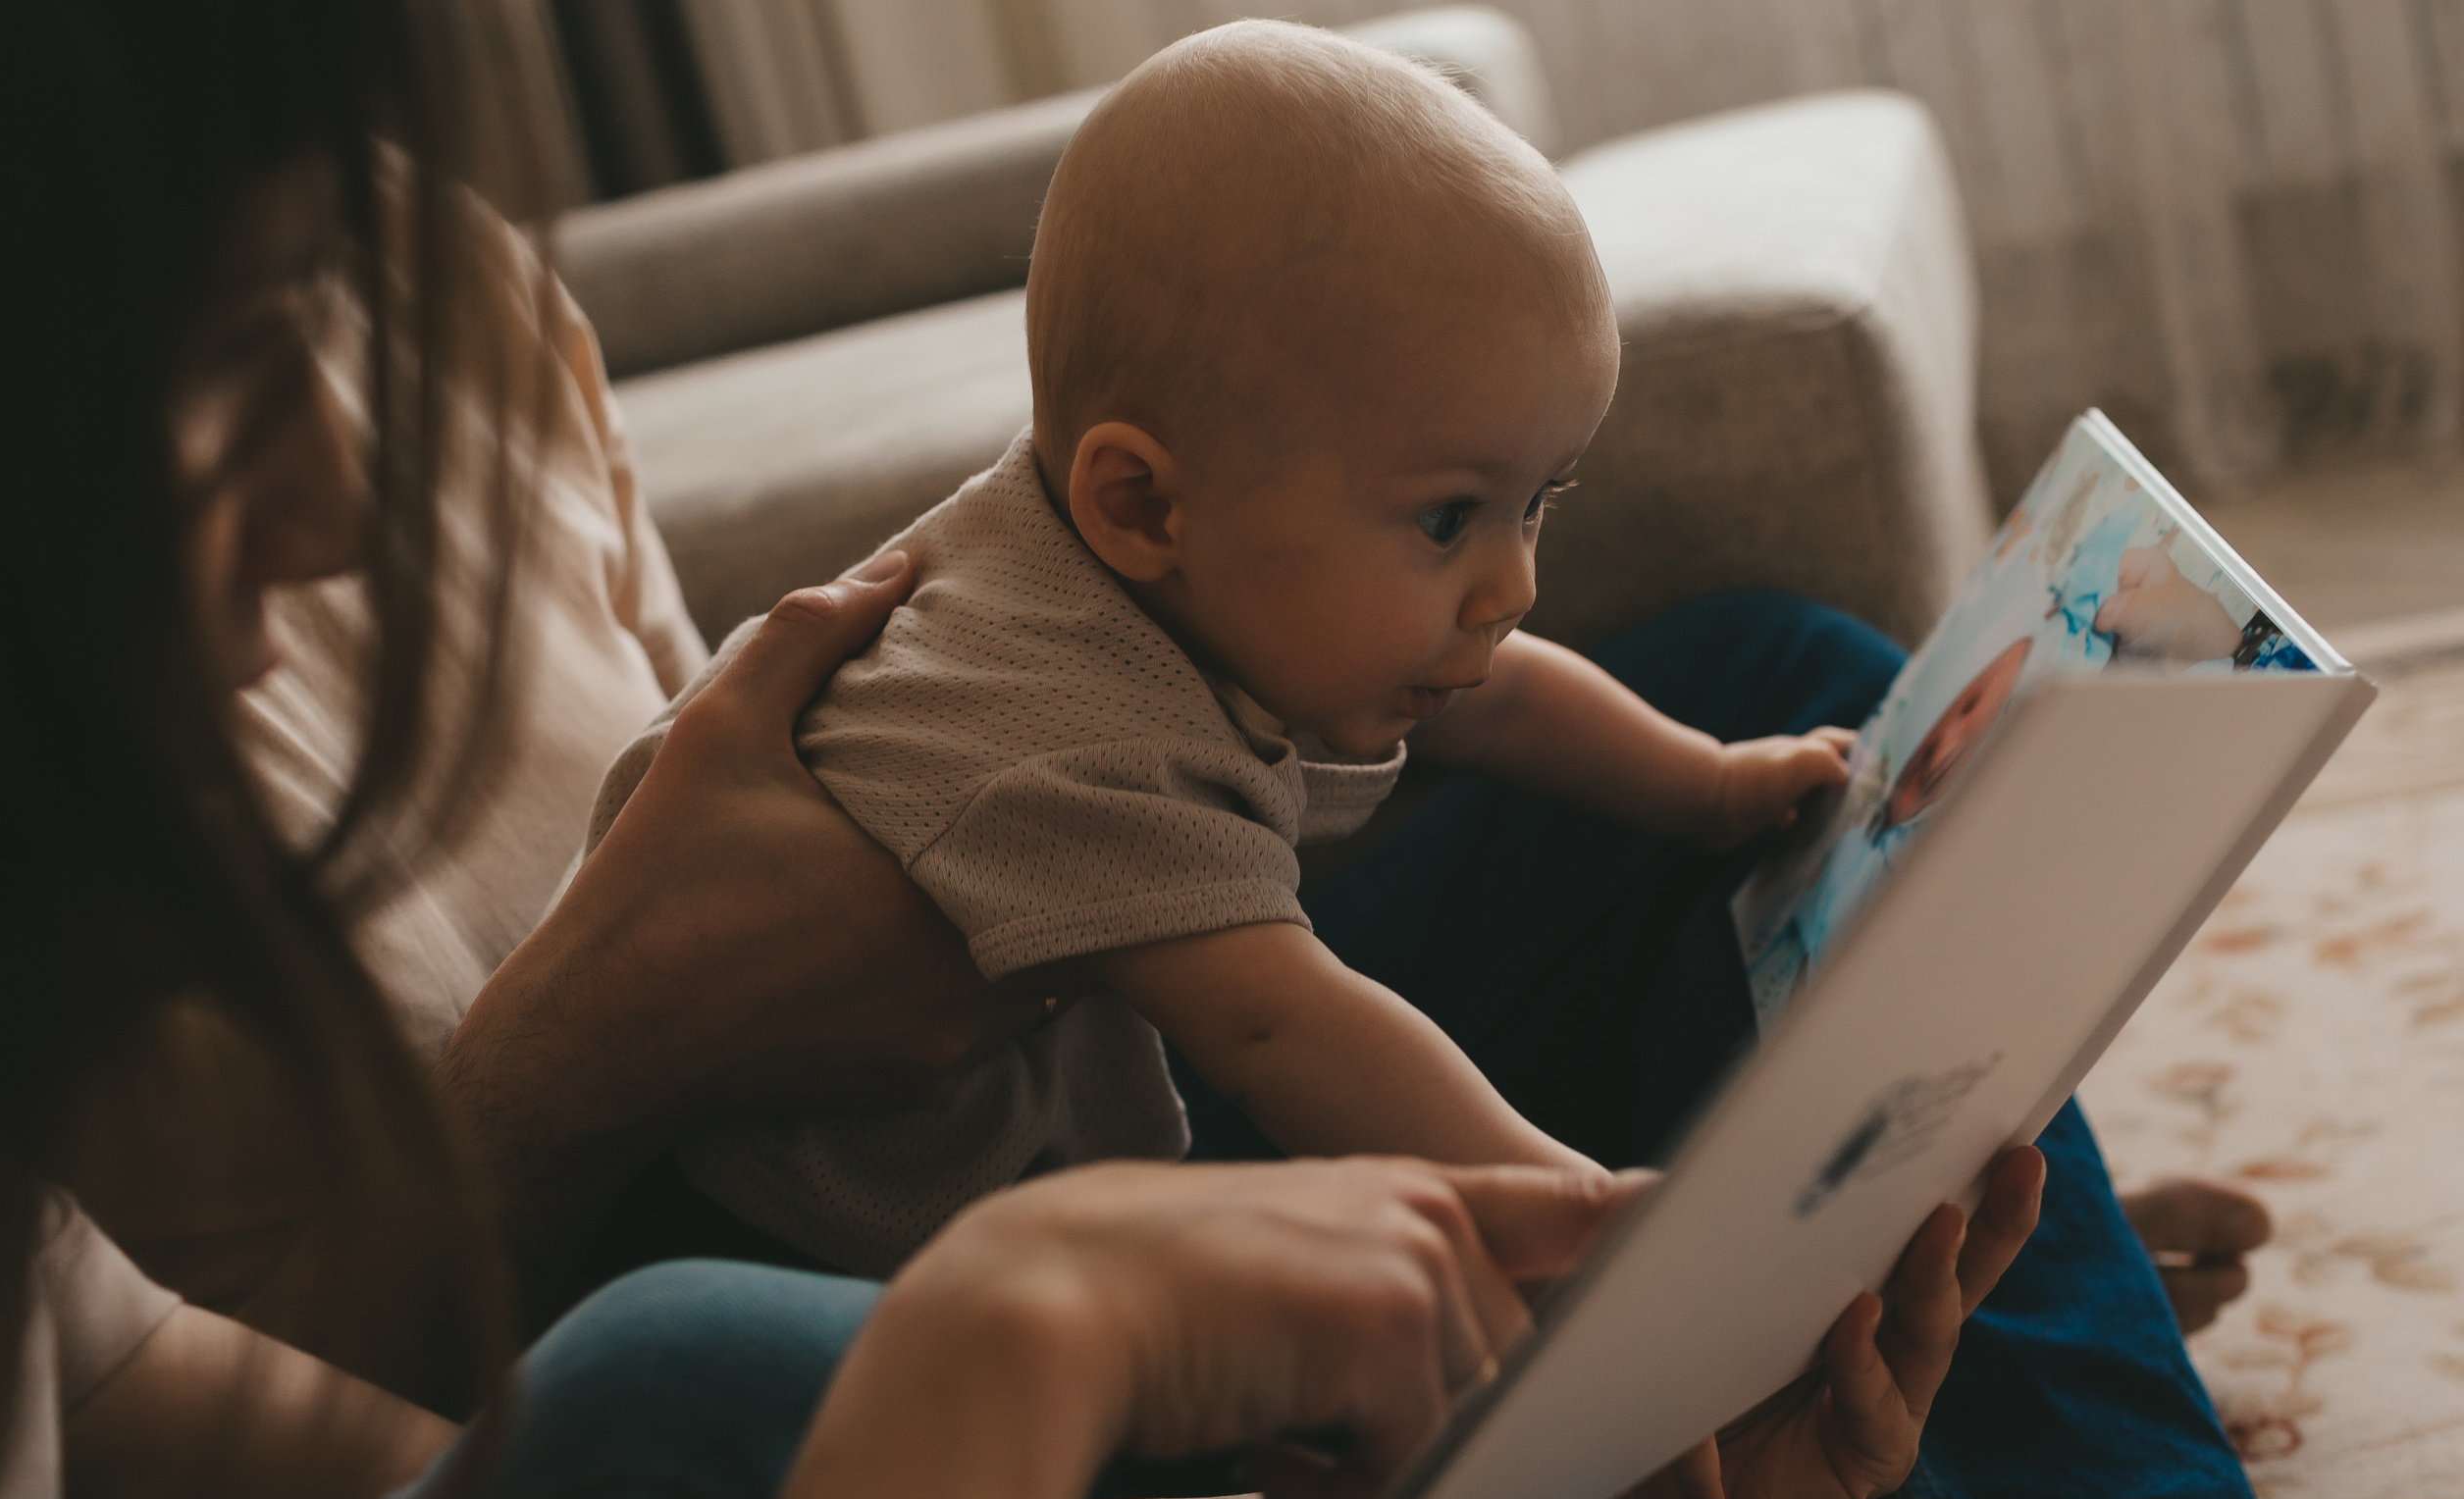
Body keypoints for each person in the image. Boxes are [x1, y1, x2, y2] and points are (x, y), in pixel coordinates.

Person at [0, 6, 2285, 1499]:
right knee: (719, 1369)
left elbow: (725, 724)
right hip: (801, 1204)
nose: (334, 496)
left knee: (1775, 708)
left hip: (1048, 1061)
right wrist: (614, 1028)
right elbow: (588, 1462)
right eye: (225, 361)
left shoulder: (440, 286)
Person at [572, 23, 1853, 1276]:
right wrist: (1578, 1217)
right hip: (821, 1271)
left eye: (1538, 504)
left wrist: (1717, 786)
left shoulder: (1195, 573)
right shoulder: (1061, 734)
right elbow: (1280, 1027)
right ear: (1140, 506)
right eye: (1450, 517)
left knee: (1784, 666)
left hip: (1060, 1077)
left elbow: (1496, 705)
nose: (1513, 583)